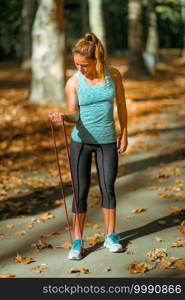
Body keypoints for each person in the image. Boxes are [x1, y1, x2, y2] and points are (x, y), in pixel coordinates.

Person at [50, 32, 128, 260]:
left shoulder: (113, 75)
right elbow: (75, 113)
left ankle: (111, 236)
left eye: (83, 64)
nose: (80, 68)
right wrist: (64, 116)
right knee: (80, 192)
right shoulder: (73, 82)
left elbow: (121, 104)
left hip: (106, 141)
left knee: (108, 188)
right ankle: (77, 241)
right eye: (76, 64)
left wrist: (124, 133)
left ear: (96, 60)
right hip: (81, 143)